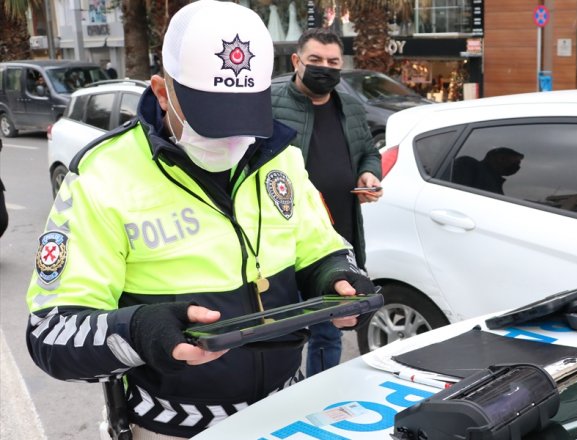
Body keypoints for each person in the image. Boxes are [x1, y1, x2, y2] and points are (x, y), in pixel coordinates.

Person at [24, 1, 374, 438]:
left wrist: (337, 277)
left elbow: (320, 245)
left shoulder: (278, 155)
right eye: (212, 118)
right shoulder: (102, 176)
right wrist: (139, 331)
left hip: (290, 411)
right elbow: (51, 334)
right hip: (175, 426)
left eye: (243, 115)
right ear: (160, 91)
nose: (232, 138)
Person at [270, 28, 382, 377]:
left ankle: (317, 396)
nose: (325, 68)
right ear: (296, 61)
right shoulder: (270, 100)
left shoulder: (349, 105)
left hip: (338, 239)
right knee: (282, 334)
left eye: (333, 62)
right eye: (315, 60)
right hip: (285, 242)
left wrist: (369, 175)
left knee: (328, 334)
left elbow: (368, 151)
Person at [452, 147, 524, 195]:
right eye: (515, 162)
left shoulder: (496, 182)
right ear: (501, 158)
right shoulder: (468, 164)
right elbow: (460, 192)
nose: (517, 166)